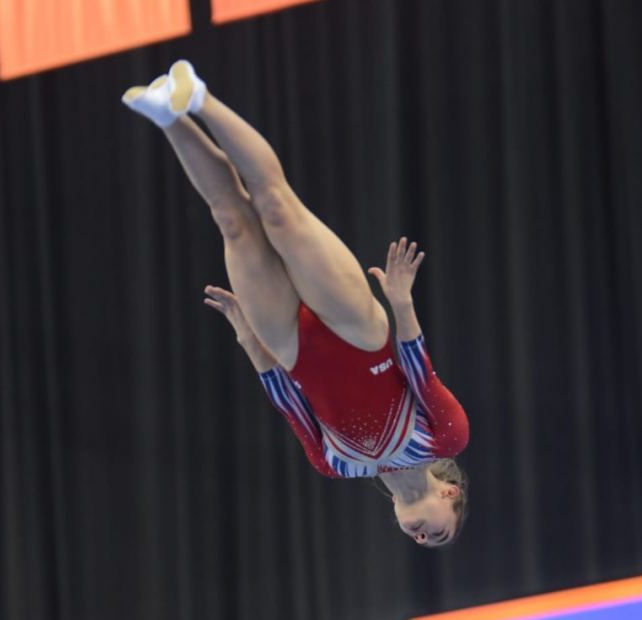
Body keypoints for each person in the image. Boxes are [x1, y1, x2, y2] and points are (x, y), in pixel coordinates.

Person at [123, 62, 469, 547]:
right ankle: (198, 96)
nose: (423, 536)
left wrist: (249, 338)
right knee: (276, 209)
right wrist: (400, 302)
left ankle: (168, 116)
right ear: (450, 492)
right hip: (360, 334)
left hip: (289, 349)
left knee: (233, 221)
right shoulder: (446, 438)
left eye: (422, 541)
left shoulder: (334, 465)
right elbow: (420, 372)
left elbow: (287, 400)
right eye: (439, 533)